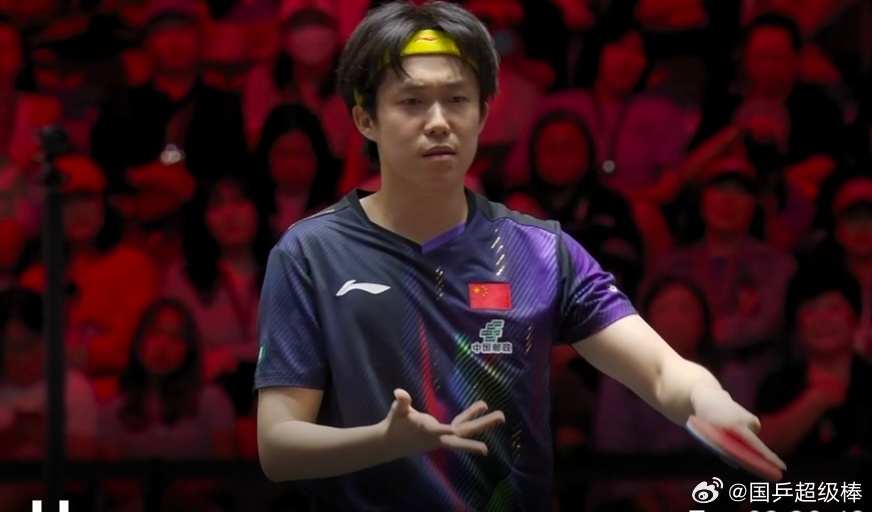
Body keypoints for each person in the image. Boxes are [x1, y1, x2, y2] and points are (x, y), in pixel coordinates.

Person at [253, 2, 785, 511]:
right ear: (365, 118)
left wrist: (709, 400)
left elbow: (663, 371)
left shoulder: (543, 253)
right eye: (411, 102)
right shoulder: (310, 254)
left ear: (484, 112)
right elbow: (277, 446)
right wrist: (383, 440)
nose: (438, 121)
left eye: (457, 99)